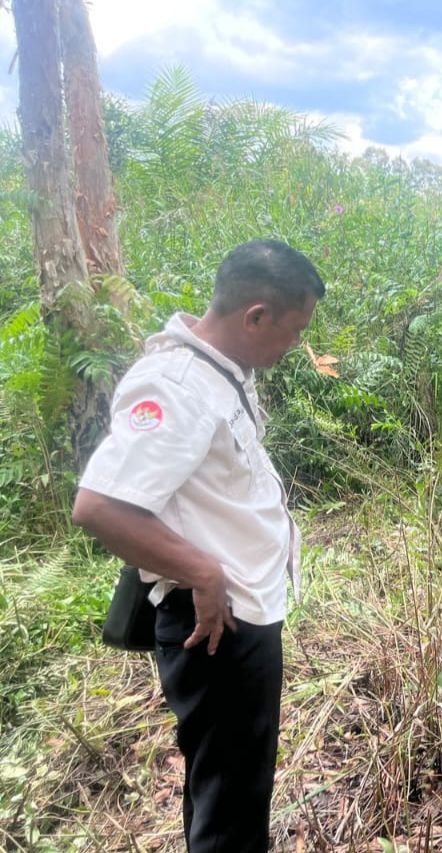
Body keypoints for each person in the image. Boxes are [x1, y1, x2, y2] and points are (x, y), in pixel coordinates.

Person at [71, 240, 325, 852]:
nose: (296, 346)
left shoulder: (221, 370)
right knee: (230, 800)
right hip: (216, 626)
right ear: (255, 316)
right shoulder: (178, 383)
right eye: (293, 331)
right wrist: (204, 573)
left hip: (242, 615)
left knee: (228, 787)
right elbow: (100, 505)